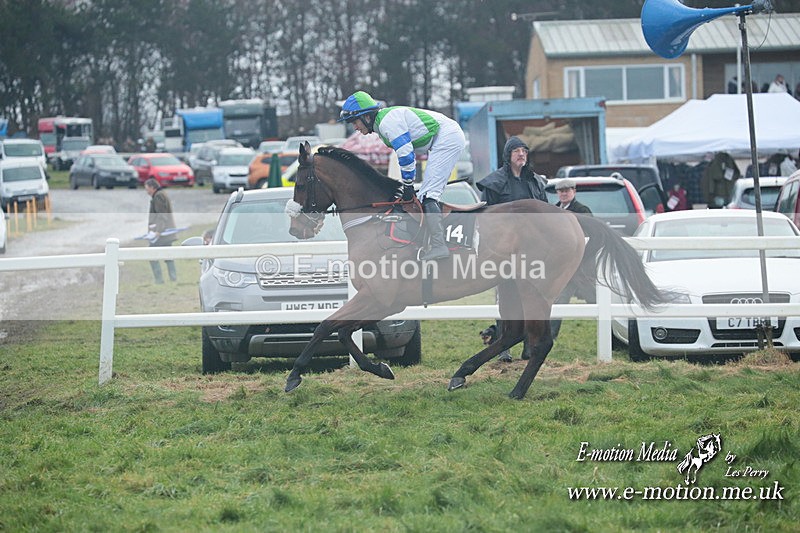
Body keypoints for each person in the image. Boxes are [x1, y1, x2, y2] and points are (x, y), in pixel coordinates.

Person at [337, 90, 466, 260]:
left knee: (429, 195)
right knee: (424, 196)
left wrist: (408, 185)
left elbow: (406, 156)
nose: (355, 127)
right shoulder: (382, 124)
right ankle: (430, 242)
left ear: (366, 117)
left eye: (355, 121)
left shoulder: (387, 123)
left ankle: (439, 245)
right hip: (442, 138)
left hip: (447, 138)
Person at [475, 136, 548, 362]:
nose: (521, 154)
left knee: (531, 300)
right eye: (517, 151)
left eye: (524, 151)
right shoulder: (494, 183)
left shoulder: (535, 182)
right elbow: (485, 217)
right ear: (508, 155)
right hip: (504, 251)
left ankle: (529, 347)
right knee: (506, 301)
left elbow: (546, 214)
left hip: (531, 252)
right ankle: (503, 347)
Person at [550, 178, 593, 340]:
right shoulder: (553, 211)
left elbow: (589, 235)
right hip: (563, 267)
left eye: (567, 191)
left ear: (574, 191)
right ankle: (551, 337)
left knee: (595, 299)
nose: (564, 194)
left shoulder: (582, 210)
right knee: (559, 300)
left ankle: (611, 334)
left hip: (582, 267)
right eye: (561, 191)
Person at [144, 178, 177, 284]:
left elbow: (162, 215)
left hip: (162, 234)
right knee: (168, 255)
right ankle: (173, 278)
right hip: (166, 233)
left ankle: (159, 280)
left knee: (152, 254)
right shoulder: (161, 194)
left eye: (147, 189)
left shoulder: (158, 196)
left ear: (152, 187)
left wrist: (158, 231)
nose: (147, 192)